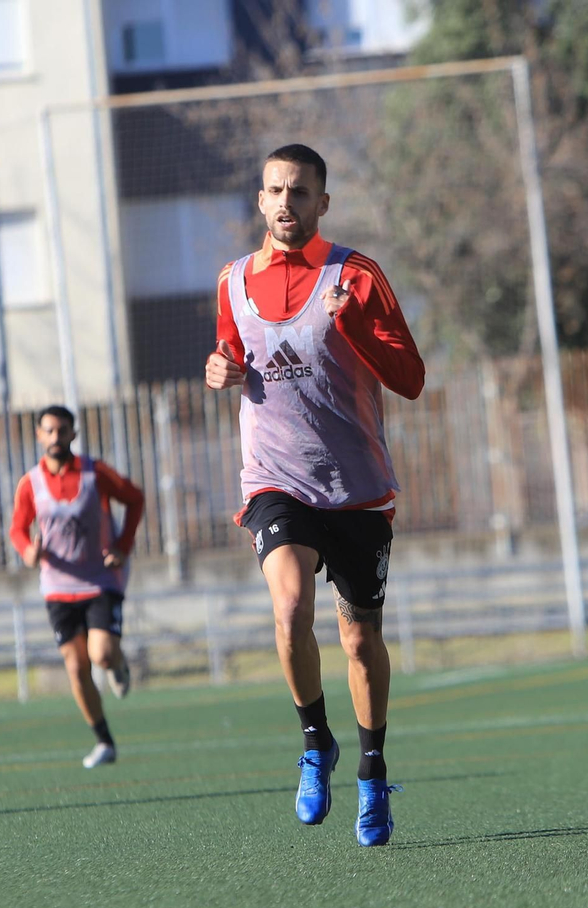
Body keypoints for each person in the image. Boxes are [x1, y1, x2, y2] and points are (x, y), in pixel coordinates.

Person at [205, 143, 425, 847]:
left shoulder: (357, 276)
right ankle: (313, 743)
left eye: (300, 192)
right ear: (260, 200)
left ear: (322, 203)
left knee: (360, 640)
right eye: (274, 190)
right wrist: (221, 368)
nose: (286, 204)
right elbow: (230, 352)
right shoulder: (233, 281)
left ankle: (369, 770)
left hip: (355, 489)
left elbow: (411, 378)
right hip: (276, 481)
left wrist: (354, 322)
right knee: (290, 607)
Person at [9, 405, 146, 768]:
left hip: (100, 579)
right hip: (57, 587)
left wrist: (123, 547)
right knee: (75, 665)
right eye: (49, 431)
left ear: (74, 434)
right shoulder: (30, 483)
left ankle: (116, 663)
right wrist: (28, 551)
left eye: (62, 431)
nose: (56, 438)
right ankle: (104, 741)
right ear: (39, 435)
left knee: (100, 654)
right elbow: (18, 529)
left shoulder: (94, 473)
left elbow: (135, 498)